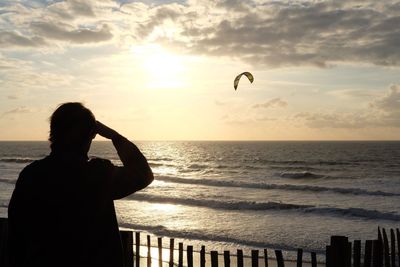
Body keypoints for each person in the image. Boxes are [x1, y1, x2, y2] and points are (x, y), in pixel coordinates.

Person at [7, 102, 154, 267]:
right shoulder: (98, 174)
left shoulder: (31, 175)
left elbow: (16, 235)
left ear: (53, 132)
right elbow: (143, 174)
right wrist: (115, 136)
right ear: (90, 134)